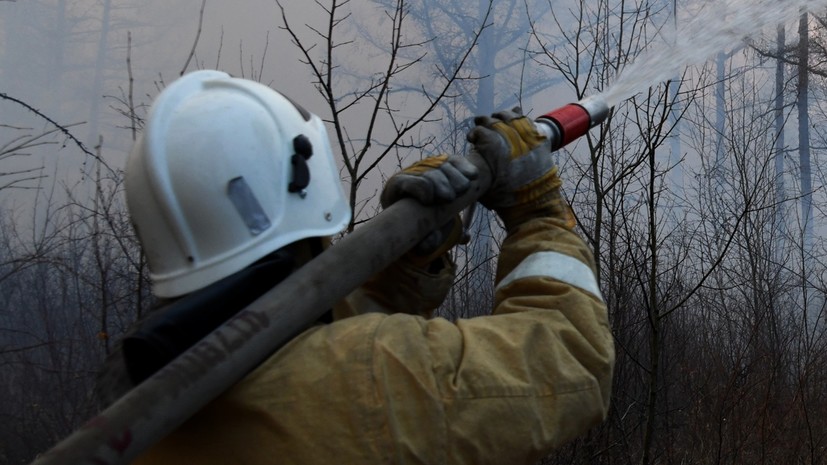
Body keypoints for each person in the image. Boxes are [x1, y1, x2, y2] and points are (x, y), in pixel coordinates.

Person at [98, 70, 614, 465]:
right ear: (303, 181)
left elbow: (305, 351)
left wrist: (408, 259)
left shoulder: (140, 398)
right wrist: (537, 210)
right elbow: (571, 357)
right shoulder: (376, 372)